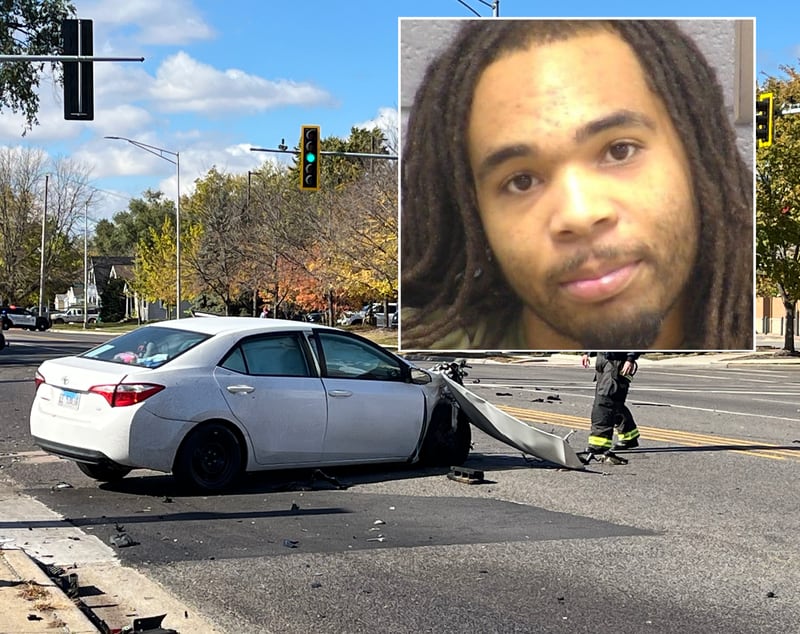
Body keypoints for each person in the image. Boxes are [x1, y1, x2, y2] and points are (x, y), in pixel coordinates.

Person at [400, 19, 753, 352]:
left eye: (619, 151)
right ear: (476, 217)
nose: (580, 214)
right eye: (521, 181)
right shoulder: (430, 357)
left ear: (697, 160)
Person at [581, 351, 641, 463]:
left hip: (617, 360)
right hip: (603, 358)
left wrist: (630, 358)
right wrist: (587, 352)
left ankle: (599, 444)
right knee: (615, 401)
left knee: (605, 402)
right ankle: (629, 436)